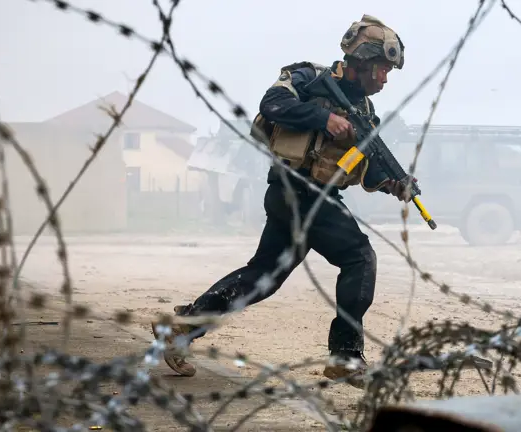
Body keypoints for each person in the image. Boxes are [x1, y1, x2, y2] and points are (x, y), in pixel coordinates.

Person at [151, 14, 412, 388]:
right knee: (359, 257)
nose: (385, 79)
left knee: (262, 278)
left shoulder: (367, 114)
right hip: (297, 192)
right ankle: (345, 358)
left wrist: (393, 183)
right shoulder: (308, 77)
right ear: (362, 61)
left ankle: (183, 329)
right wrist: (323, 118)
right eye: (382, 69)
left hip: (310, 197)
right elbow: (272, 104)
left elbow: (366, 169)